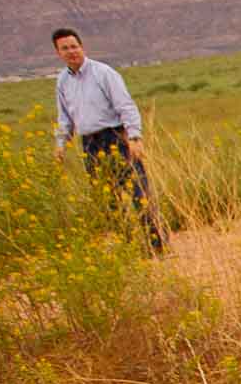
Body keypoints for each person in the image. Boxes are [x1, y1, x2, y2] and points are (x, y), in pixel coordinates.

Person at [51, 27, 166, 253]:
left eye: (74, 46)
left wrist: (134, 137)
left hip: (115, 136)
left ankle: (157, 246)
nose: (71, 51)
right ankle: (128, 248)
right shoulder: (62, 81)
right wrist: (60, 144)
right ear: (58, 53)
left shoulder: (103, 73)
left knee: (138, 193)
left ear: (82, 47)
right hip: (90, 144)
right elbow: (64, 116)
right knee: (107, 199)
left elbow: (125, 105)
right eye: (65, 48)